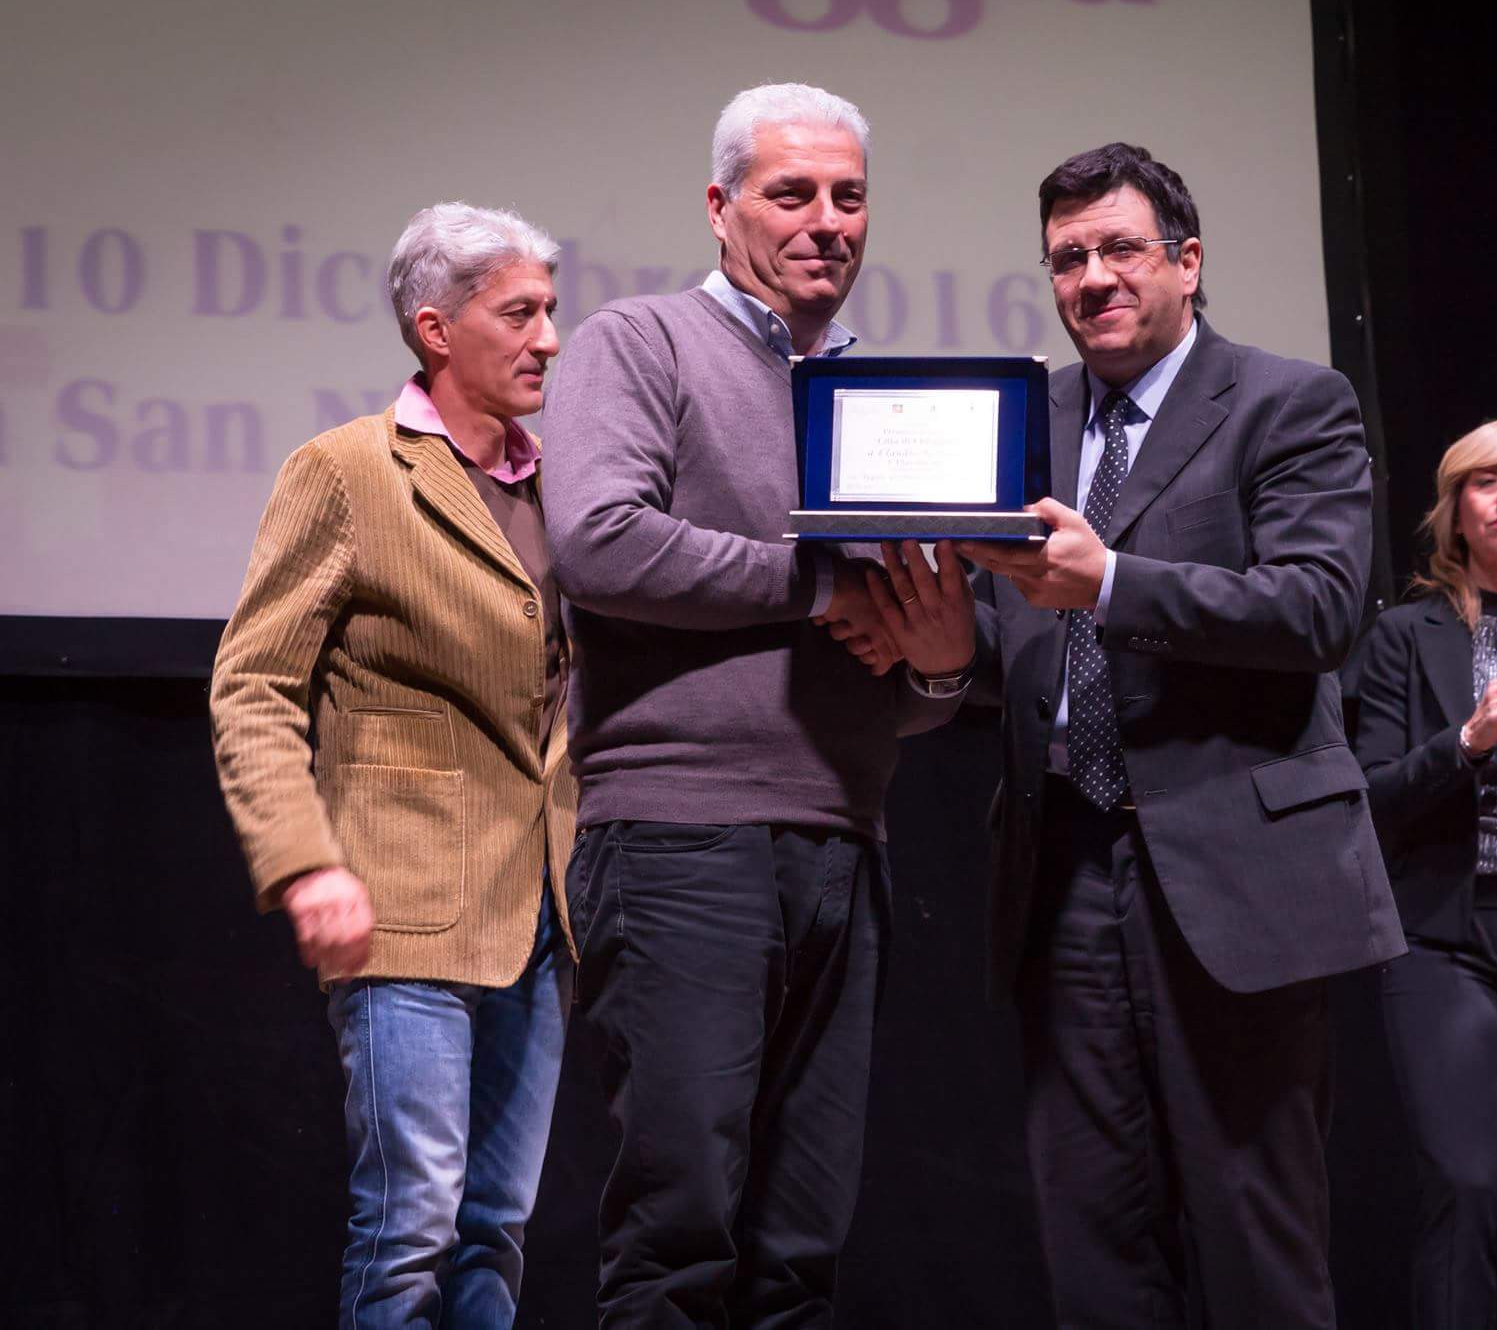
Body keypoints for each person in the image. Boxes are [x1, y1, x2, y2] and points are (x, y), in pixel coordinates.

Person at [541, 82, 975, 1326]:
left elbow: (903, 666)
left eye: (849, 197)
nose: (826, 221)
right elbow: (600, 542)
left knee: (798, 1249)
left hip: (843, 838)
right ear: (720, 206)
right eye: (791, 194)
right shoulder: (640, 343)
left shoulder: (881, 400)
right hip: (680, 837)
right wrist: (821, 581)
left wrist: (939, 662)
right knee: (680, 1232)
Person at [955, 141, 1404, 1328]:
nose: (1091, 278)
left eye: (1118, 248)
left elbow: (1318, 610)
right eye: (1066, 259)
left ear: (1187, 261)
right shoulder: (1026, 418)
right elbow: (1008, 643)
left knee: (1256, 1240)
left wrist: (1111, 583)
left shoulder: (1287, 400)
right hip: (1059, 868)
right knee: (1091, 1245)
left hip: (1234, 876)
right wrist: (940, 646)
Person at [210, 201, 575, 1327]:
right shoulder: (348, 472)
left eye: (551, 310)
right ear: (436, 330)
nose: (550, 338)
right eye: (520, 313)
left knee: (496, 1226)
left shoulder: (562, 482)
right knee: (412, 1223)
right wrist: (303, 861)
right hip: (403, 899)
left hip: (541, 909)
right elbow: (253, 684)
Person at [1352, 417, 1497, 1329]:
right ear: (1455, 511)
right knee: (1467, 1183)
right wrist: (1466, 741)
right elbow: (1368, 795)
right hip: (1445, 934)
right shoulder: (1405, 635)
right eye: (1487, 480)